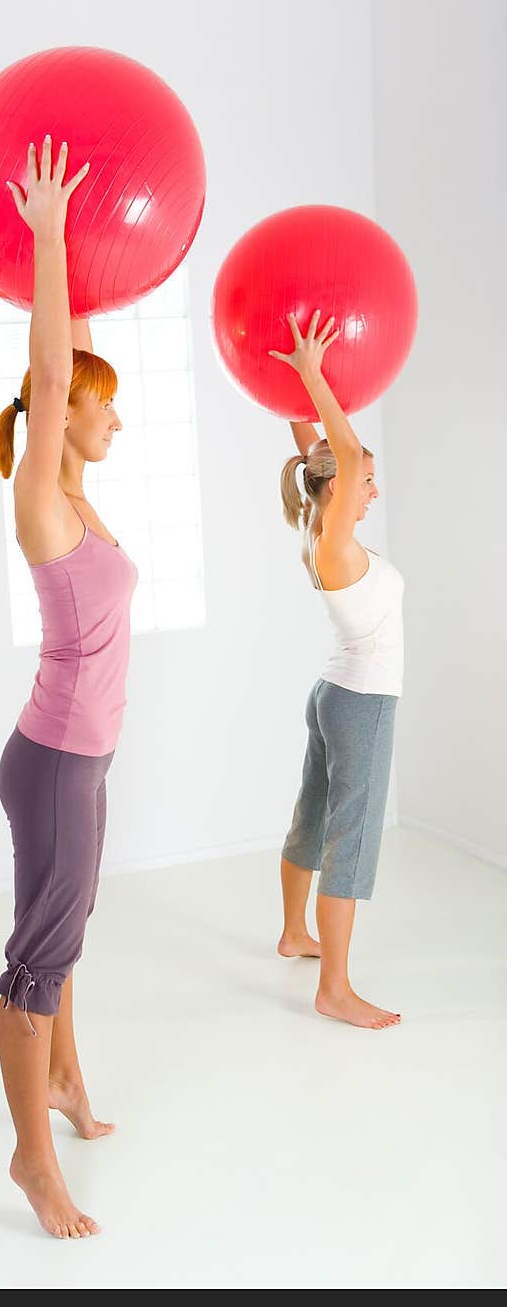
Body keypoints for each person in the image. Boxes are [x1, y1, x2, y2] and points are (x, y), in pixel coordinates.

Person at [0, 139, 138, 1236]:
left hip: (83, 758)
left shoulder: (80, 496)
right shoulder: (41, 494)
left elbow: (73, 359)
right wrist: (43, 237)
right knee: (36, 961)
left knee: (69, 926)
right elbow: (51, 375)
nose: (113, 417)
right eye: (104, 405)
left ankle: (67, 1082)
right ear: (67, 416)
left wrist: (82, 264)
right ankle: (31, 1162)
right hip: (50, 765)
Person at [273, 311, 403, 1029]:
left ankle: (295, 933)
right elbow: (345, 458)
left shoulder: (319, 531)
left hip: (333, 694)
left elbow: (327, 457)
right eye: (367, 481)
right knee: (347, 841)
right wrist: (313, 370)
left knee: (311, 817)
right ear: (339, 490)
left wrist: (302, 395)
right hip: (363, 706)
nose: (371, 489)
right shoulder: (334, 543)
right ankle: (335, 988)